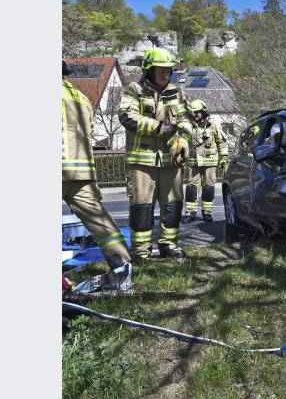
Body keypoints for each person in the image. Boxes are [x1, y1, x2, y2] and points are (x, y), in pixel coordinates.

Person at [118, 47, 192, 262]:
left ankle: (169, 246)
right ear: (149, 70)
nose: (165, 74)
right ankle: (141, 251)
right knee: (142, 207)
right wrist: (161, 128)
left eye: (169, 70)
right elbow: (127, 116)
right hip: (141, 162)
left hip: (171, 161)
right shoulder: (133, 90)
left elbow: (186, 119)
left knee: (173, 206)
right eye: (160, 69)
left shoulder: (178, 93)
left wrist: (184, 139)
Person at [62, 59, 132, 284]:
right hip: (81, 172)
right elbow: (89, 131)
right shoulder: (80, 97)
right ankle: (122, 265)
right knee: (100, 223)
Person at [184, 99, 228, 222]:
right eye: (192, 113)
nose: (194, 115)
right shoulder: (188, 125)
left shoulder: (212, 124)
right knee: (191, 188)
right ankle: (190, 213)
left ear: (203, 112)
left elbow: (221, 141)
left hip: (210, 162)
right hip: (194, 162)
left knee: (208, 187)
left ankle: (207, 212)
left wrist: (224, 157)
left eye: (197, 113)